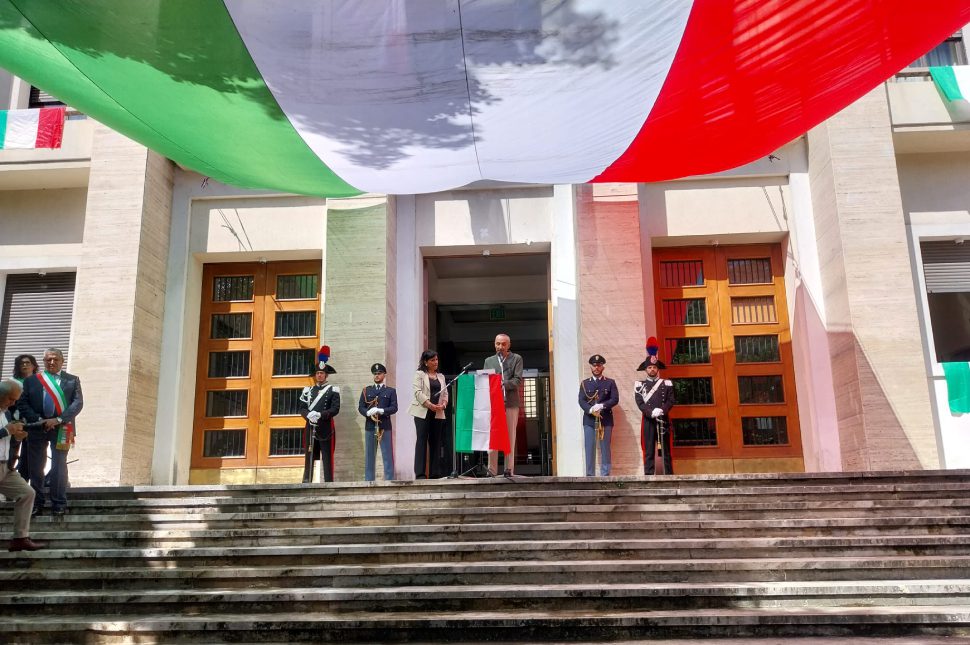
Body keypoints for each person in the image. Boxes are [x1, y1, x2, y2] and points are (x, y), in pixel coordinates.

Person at [18, 347, 82, 517]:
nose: (52, 362)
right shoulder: (32, 381)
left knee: (59, 466)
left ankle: (59, 503)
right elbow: (23, 404)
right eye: (48, 359)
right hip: (37, 428)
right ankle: (37, 503)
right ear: (43, 361)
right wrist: (39, 420)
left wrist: (58, 419)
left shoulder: (72, 380)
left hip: (62, 428)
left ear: (62, 361)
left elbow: (77, 404)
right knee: (36, 468)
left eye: (55, 359)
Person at [0, 378, 44, 551]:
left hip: (6, 467)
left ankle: (20, 538)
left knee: (27, 493)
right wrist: (6, 431)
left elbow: (6, 441)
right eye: (11, 399)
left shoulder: (7, 414)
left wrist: (16, 438)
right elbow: (3, 433)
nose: (14, 402)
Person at [483, 333, 523, 476]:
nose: (500, 347)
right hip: (493, 405)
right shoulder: (489, 361)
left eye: (503, 344)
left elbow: (517, 380)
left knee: (509, 437)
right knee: (493, 437)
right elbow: (485, 380)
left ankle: (508, 470)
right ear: (494, 344)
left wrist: (502, 383)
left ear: (509, 345)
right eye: (497, 344)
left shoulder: (516, 359)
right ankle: (491, 470)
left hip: (510, 404)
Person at [299, 347, 340, 483]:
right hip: (311, 427)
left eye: (322, 373)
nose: (320, 375)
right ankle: (306, 481)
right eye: (317, 373)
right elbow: (302, 408)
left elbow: (335, 409)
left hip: (325, 427)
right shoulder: (308, 390)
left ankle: (328, 482)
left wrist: (321, 414)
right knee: (309, 456)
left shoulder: (333, 390)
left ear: (326, 375)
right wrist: (308, 415)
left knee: (327, 457)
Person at [407, 350, 448, 479]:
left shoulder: (441, 376)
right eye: (432, 360)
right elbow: (417, 392)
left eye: (436, 359)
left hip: (438, 412)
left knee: (436, 442)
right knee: (421, 441)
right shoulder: (419, 374)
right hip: (422, 412)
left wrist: (443, 405)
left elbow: (445, 393)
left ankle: (435, 473)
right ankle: (420, 473)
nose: (435, 362)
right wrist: (430, 404)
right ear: (425, 362)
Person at [578, 354, 620, 476]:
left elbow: (615, 399)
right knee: (589, 447)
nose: (596, 367)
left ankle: (605, 474)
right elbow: (581, 400)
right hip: (590, 419)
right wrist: (591, 409)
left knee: (605, 447)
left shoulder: (610, 382)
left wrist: (602, 406)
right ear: (591, 367)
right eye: (594, 365)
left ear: (603, 367)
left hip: (605, 419)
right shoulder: (585, 383)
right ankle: (590, 475)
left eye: (599, 365)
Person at [635, 354, 676, 475]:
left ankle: (669, 475)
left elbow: (671, 400)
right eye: (649, 367)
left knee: (666, 449)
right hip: (648, 420)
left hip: (663, 419)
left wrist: (662, 410)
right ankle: (648, 476)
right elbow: (640, 402)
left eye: (654, 367)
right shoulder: (639, 385)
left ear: (658, 369)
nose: (652, 369)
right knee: (648, 449)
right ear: (645, 369)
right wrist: (650, 412)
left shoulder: (667, 383)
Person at [357, 362, 397, 482]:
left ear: (384, 374)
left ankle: (389, 480)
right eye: (375, 374)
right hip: (370, 426)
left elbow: (394, 408)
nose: (377, 375)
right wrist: (367, 412)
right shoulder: (366, 390)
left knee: (387, 455)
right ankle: (369, 481)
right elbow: (361, 406)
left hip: (384, 426)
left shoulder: (390, 391)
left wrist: (381, 410)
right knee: (369, 456)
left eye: (379, 373)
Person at [9, 354, 38, 482]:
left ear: (34, 366)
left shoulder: (40, 382)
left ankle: (22, 483)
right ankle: (7, 482)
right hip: (15, 423)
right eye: (22, 363)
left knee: (28, 456)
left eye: (28, 363)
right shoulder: (11, 383)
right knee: (11, 454)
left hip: (33, 425)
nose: (25, 365)